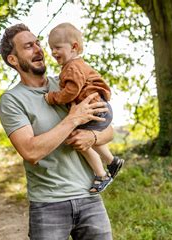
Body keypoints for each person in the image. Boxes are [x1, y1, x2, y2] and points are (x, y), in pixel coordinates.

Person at [0, 24, 119, 240]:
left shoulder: (68, 80)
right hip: (48, 205)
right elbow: (31, 151)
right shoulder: (12, 101)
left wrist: (91, 136)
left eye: (38, 43)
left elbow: (108, 130)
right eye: (28, 46)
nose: (39, 49)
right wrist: (73, 119)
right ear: (13, 60)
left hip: (90, 199)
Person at [43, 22, 124, 193]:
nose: (53, 52)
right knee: (81, 137)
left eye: (57, 47)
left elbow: (71, 91)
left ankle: (102, 174)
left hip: (95, 108)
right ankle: (111, 162)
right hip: (98, 107)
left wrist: (53, 98)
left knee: (79, 139)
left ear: (74, 47)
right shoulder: (75, 66)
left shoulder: (73, 67)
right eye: (51, 48)